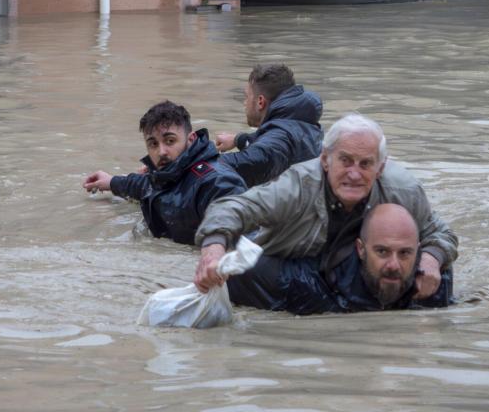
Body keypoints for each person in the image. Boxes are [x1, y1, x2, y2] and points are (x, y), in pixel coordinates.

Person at [193, 112, 457, 301]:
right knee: (241, 273)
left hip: (358, 267)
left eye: (365, 164)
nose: (354, 174)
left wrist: (432, 260)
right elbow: (231, 208)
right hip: (296, 265)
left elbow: (440, 234)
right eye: (345, 161)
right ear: (325, 160)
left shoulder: (404, 191)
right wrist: (212, 251)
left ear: (381, 167)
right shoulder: (297, 186)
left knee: (441, 276)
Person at [226, 204, 452, 314]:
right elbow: (237, 267)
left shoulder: (432, 284)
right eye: (382, 252)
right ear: (361, 249)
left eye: (405, 253)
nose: (394, 265)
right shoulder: (307, 284)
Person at [83, 101, 246, 246]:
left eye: (170, 141)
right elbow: (144, 185)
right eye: (153, 144)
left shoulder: (216, 181)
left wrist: (215, 248)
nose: (161, 152)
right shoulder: (166, 174)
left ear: (191, 139)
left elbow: (235, 220)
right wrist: (111, 182)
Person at [213, 63, 323, 187]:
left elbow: (257, 158)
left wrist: (198, 163)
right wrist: (238, 139)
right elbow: (270, 141)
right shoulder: (301, 124)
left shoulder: (281, 137)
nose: (245, 103)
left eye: (247, 97)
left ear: (260, 102)